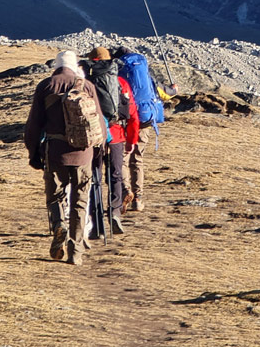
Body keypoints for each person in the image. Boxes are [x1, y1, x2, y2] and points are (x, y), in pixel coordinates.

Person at [23, 50, 105, 265]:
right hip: (84, 153)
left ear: (57, 65)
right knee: (80, 201)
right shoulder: (87, 86)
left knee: (55, 196)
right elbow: (100, 125)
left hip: (55, 151)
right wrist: (97, 154)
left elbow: (33, 125)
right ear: (75, 65)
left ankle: (59, 225)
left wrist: (33, 153)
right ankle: (75, 251)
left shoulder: (46, 86)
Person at [82, 47, 139, 233]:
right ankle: (114, 213)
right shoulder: (120, 82)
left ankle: (96, 221)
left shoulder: (86, 83)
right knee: (115, 175)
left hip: (94, 136)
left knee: (94, 177)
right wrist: (131, 139)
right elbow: (132, 113)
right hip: (116, 135)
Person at [114, 45, 165, 212]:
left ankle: (126, 190)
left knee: (123, 158)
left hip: (126, 118)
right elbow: (160, 92)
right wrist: (173, 89)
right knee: (138, 159)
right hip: (145, 118)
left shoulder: (120, 71)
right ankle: (138, 198)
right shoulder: (142, 70)